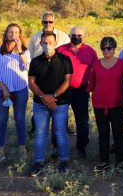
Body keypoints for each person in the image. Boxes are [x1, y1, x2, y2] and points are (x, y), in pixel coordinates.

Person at [27, 31, 72, 176]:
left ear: (55, 43)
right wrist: (43, 97)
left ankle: (64, 160)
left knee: (60, 131)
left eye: (50, 42)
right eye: (45, 43)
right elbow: (31, 82)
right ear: (40, 44)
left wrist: (52, 96)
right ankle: (38, 162)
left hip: (60, 103)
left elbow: (67, 81)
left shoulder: (65, 60)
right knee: (40, 133)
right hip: (40, 104)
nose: (48, 45)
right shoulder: (35, 61)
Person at [0, 23, 30, 163]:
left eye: (16, 32)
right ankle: (0, 152)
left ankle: (22, 150)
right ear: (6, 34)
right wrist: (4, 88)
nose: (13, 35)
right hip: (1, 90)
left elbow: (27, 67)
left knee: (20, 120)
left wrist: (19, 51)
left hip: (20, 90)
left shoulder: (25, 51)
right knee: (2, 120)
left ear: (20, 35)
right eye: (10, 32)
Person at [88, 37, 123, 172]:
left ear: (114, 48)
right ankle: (104, 161)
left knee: (118, 133)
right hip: (99, 105)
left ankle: (120, 161)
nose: (106, 50)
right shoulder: (96, 64)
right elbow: (92, 84)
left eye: (109, 48)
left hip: (118, 104)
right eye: (103, 48)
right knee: (103, 133)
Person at [56, 26, 98, 158]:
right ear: (69, 35)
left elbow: (95, 70)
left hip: (81, 90)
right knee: (60, 119)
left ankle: (82, 146)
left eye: (79, 35)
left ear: (83, 36)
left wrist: (91, 86)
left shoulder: (90, 51)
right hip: (63, 89)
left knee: (82, 120)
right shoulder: (61, 50)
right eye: (74, 35)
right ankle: (57, 146)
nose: (76, 37)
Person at [27, 11, 70, 136]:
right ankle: (36, 127)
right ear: (42, 22)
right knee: (39, 102)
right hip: (39, 75)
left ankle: (62, 129)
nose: (48, 24)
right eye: (45, 22)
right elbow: (30, 55)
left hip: (58, 75)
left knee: (60, 105)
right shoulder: (35, 37)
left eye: (50, 22)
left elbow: (67, 56)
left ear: (54, 22)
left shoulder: (62, 36)